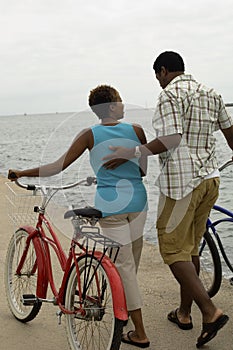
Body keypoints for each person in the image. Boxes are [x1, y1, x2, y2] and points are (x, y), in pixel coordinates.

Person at [103, 51, 233, 348]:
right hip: (210, 180)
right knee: (190, 247)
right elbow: (230, 132)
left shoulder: (168, 96)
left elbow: (170, 139)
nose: (158, 82)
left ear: (163, 71)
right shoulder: (212, 93)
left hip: (182, 184)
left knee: (173, 249)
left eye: (157, 76)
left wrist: (129, 152)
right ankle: (184, 313)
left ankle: (210, 311)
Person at [8, 84, 150, 348]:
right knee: (129, 266)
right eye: (119, 101)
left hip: (112, 208)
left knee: (124, 268)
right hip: (139, 204)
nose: (122, 105)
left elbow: (57, 167)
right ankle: (127, 317)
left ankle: (139, 332)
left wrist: (22, 172)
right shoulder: (138, 131)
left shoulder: (89, 135)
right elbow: (143, 171)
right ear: (111, 106)